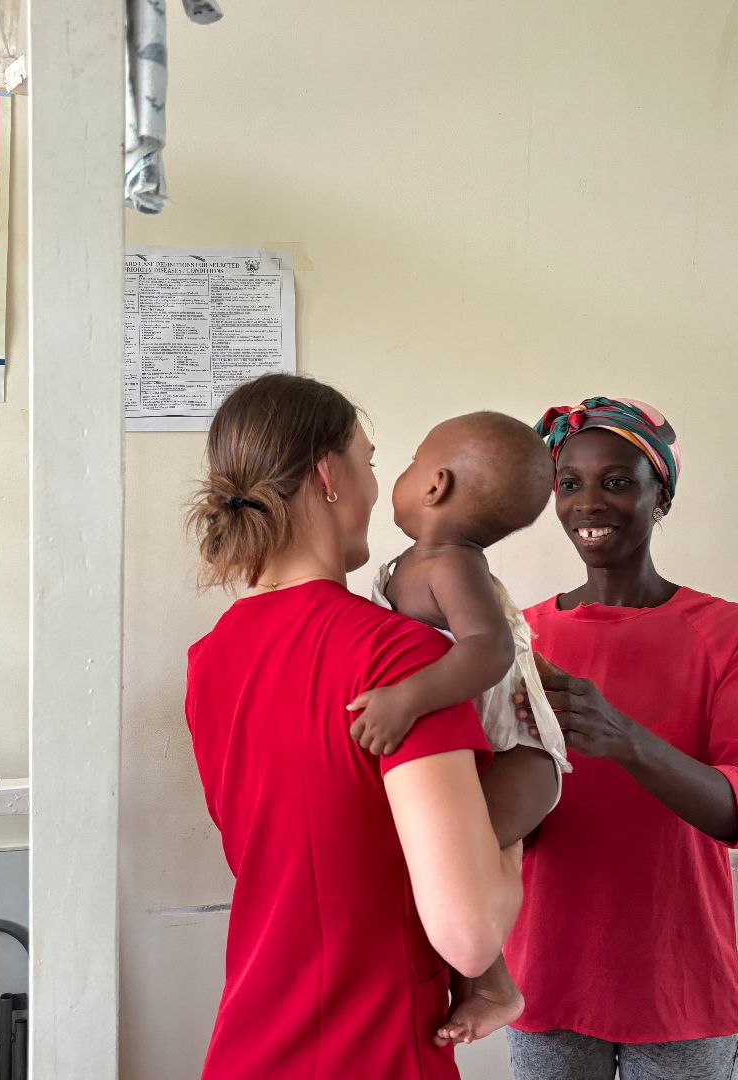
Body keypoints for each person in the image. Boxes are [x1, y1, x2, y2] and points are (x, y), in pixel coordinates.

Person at [184, 373, 521, 1080]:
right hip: (369, 1049)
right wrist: (516, 833)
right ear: (328, 476)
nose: (376, 487)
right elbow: (467, 934)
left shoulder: (211, 659)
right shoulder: (400, 655)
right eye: (370, 463)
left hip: (249, 1044)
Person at [506, 396, 738, 1080]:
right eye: (569, 483)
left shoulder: (730, 633)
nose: (588, 503)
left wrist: (624, 736)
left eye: (618, 481)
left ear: (662, 497)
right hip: (548, 979)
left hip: (680, 987)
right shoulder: (521, 635)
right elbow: (510, 819)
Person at [346, 411, 571, 1045]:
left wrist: (408, 699)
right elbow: (514, 649)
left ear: (435, 485)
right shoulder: (417, 564)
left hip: (523, 760)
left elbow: (489, 650)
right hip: (499, 751)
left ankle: (494, 985)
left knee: (454, 869)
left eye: (412, 459)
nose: (398, 473)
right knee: (450, 864)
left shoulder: (451, 565)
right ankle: (488, 983)